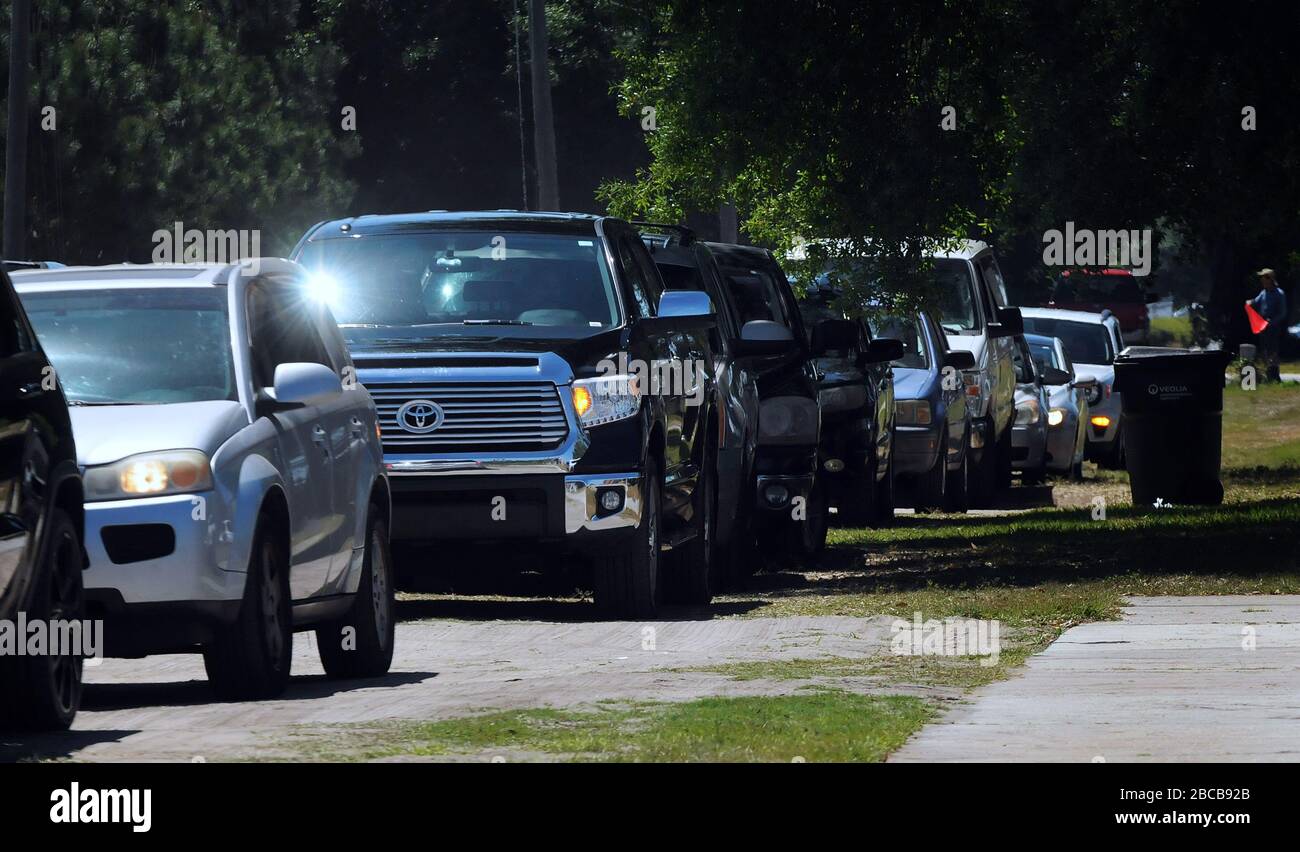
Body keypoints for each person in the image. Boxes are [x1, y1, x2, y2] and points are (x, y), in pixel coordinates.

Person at [1247, 268, 1287, 382]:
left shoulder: (1279, 294)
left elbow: (1282, 313)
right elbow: (1256, 301)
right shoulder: (1263, 292)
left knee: (1273, 351)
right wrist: (1250, 302)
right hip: (1262, 326)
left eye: (1264, 278)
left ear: (1270, 279)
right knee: (1264, 350)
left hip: (1273, 327)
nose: (1262, 281)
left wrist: (1272, 322)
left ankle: (1274, 375)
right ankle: (1267, 374)